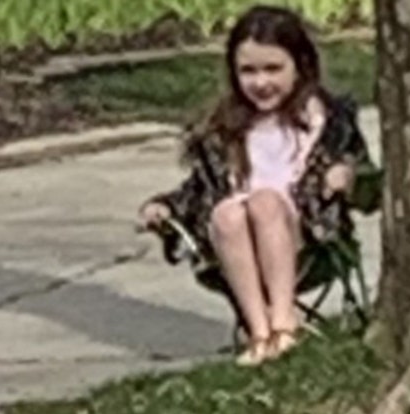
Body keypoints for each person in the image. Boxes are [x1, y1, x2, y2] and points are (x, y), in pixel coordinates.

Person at [139, 4, 372, 366]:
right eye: (248, 71)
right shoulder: (223, 129)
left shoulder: (328, 122)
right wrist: (165, 207)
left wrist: (347, 175)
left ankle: (283, 324)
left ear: (300, 66)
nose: (261, 82)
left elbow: (369, 180)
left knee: (264, 202)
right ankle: (260, 332)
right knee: (229, 212)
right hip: (234, 241)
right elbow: (197, 190)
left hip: (307, 234)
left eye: (273, 69)